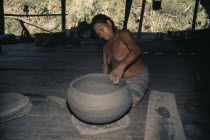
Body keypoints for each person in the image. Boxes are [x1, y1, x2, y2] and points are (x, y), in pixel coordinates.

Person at [91, 14, 149, 107]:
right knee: (102, 95)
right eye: (98, 33)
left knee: (127, 102)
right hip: (118, 79)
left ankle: (142, 85)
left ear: (109, 23)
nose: (101, 34)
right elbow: (105, 66)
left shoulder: (123, 34)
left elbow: (136, 50)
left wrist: (121, 66)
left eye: (101, 29)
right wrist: (102, 84)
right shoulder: (106, 46)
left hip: (137, 77)